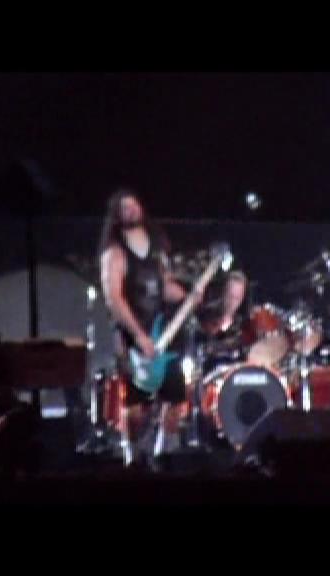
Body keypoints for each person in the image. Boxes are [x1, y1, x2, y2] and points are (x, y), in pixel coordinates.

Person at [99, 188, 198, 469]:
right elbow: (114, 298)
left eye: (134, 205)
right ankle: (133, 458)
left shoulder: (156, 248)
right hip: (133, 333)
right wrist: (139, 336)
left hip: (163, 330)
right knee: (136, 404)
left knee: (175, 398)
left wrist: (187, 295)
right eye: (124, 207)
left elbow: (164, 287)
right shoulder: (115, 253)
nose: (130, 210)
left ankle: (161, 454)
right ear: (117, 215)